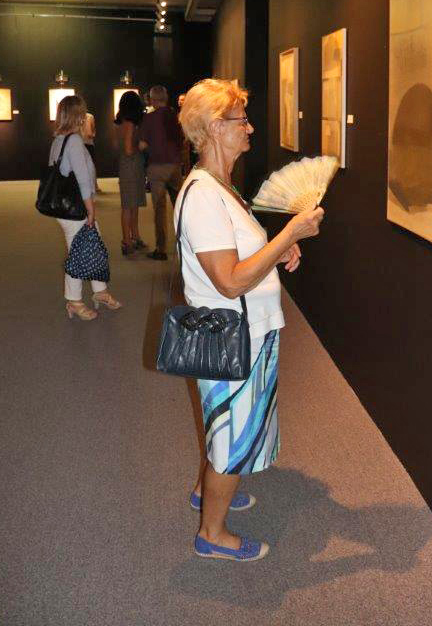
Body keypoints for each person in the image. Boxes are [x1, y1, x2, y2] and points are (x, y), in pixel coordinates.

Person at [176, 78, 324, 561]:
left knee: (226, 424)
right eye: (242, 120)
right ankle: (211, 534)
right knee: (232, 438)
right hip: (233, 336)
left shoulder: (220, 186)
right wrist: (288, 235)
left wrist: (276, 251)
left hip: (245, 331)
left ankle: (207, 492)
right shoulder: (204, 196)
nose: (250, 128)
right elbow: (229, 281)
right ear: (215, 128)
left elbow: (236, 254)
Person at [49, 95, 122, 320]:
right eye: (82, 113)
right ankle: (74, 301)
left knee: (93, 245)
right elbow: (82, 179)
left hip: (65, 206)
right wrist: (90, 209)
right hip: (75, 208)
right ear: (78, 116)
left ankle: (100, 291)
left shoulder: (59, 139)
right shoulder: (73, 141)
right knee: (78, 253)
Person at [139, 85, 184, 261]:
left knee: (160, 209)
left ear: (152, 99)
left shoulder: (149, 118)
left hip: (157, 167)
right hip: (175, 166)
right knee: (180, 207)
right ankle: (187, 244)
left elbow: (142, 144)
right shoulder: (175, 117)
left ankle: (161, 248)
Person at [114, 91, 147, 256]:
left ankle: (135, 236)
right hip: (131, 166)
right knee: (128, 205)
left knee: (133, 204)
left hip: (128, 166)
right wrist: (140, 147)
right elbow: (128, 150)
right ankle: (127, 240)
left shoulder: (120, 123)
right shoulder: (129, 123)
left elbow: (120, 147)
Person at [80, 110, 101, 193]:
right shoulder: (90, 116)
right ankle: (94, 185)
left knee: (81, 165)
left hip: (79, 143)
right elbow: (90, 132)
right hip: (88, 143)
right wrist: (93, 134)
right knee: (91, 165)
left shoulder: (75, 116)